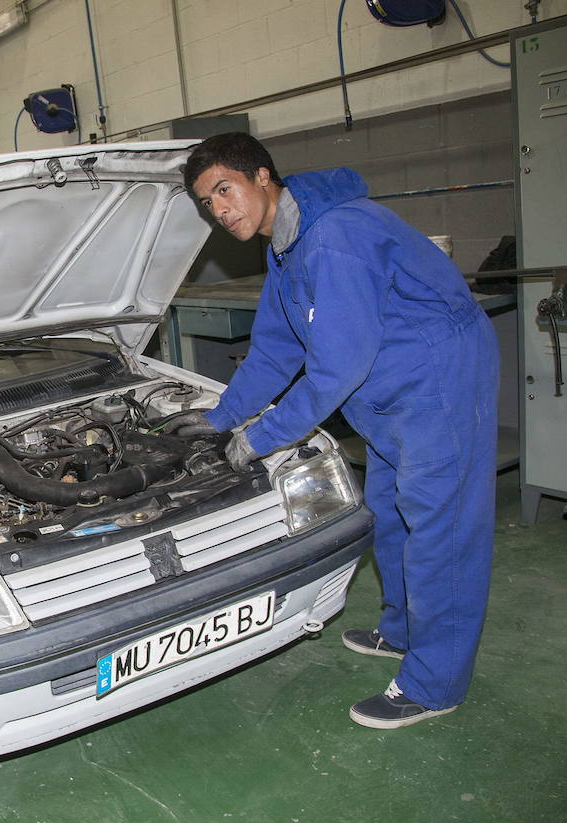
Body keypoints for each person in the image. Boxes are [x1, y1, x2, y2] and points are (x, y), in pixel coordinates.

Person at [174, 132, 498, 729]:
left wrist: (261, 435)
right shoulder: (286, 249)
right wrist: (218, 417)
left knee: (440, 530)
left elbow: (335, 367)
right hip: (390, 392)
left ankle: (436, 683)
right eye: (206, 202)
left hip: (438, 385)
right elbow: (274, 350)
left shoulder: (336, 238)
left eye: (225, 190)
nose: (218, 210)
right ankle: (403, 633)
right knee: (390, 511)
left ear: (263, 179)